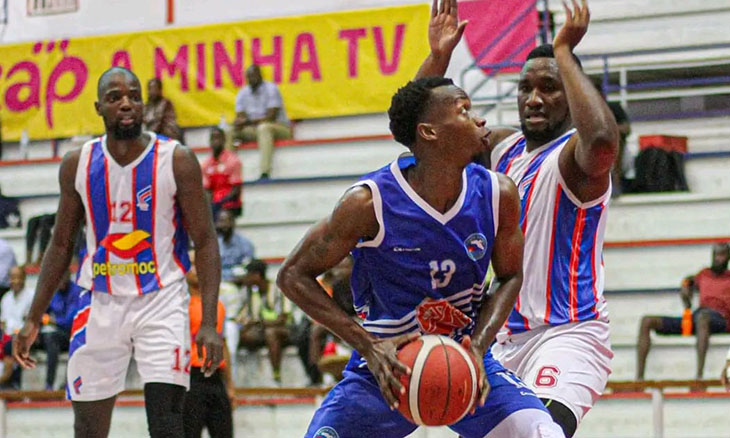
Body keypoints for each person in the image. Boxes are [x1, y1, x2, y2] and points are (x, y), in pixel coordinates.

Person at [277, 72, 566, 436]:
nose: (480, 119)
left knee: (543, 432)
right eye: (463, 111)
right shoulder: (369, 202)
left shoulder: (498, 193)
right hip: (384, 371)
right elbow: (292, 275)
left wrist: (477, 347)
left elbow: (510, 276)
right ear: (429, 132)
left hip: (465, 360)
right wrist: (367, 344)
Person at [416, 1, 618, 436]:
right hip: (498, 337)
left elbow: (601, 139)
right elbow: (424, 133)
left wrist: (564, 51)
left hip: (566, 333)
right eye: (525, 87)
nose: (534, 98)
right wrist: (439, 57)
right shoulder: (503, 148)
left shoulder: (574, 159)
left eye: (551, 86)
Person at [12, 66, 223, 438]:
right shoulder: (78, 164)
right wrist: (33, 317)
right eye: (115, 97)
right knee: (88, 429)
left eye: (134, 96)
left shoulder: (177, 160)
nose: (126, 103)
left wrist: (208, 321)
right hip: (100, 301)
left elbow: (205, 241)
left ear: (143, 104)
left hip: (162, 301)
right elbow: (60, 245)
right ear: (98, 107)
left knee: (168, 425)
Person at [637, 242, 730, 381]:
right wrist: (685, 286)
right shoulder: (704, 274)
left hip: (720, 320)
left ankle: (699, 377)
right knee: (647, 321)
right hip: (698, 317)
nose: (717, 258)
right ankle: (639, 379)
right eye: (715, 254)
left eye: (722, 255)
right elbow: (689, 280)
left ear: (728, 258)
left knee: (703, 318)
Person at [184, 252, 234, 438]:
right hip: (191, 379)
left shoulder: (217, 305)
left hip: (216, 378)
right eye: (191, 264)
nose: (197, 269)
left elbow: (223, 344)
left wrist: (230, 385)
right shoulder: (180, 305)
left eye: (199, 263)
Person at [238, 259, 294, 385]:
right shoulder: (251, 292)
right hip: (262, 329)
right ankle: (245, 380)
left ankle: (276, 375)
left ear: (257, 275)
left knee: (271, 333)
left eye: (248, 274)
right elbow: (248, 318)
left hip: (285, 330)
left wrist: (260, 323)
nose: (245, 278)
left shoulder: (279, 289)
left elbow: (283, 318)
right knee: (242, 335)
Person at [231, 65, 292, 179]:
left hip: (279, 128)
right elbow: (241, 117)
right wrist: (239, 122)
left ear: (260, 75)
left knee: (264, 128)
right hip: (255, 130)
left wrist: (246, 121)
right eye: (249, 77)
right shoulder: (242, 93)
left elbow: (271, 116)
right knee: (229, 131)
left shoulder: (271, 89)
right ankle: (226, 171)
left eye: (254, 76)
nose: (251, 79)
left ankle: (265, 171)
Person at [41, 268, 83, 390]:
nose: (60, 281)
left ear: (69, 276)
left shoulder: (76, 292)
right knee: (47, 338)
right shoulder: (53, 291)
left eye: (63, 277)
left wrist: (51, 320)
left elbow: (69, 321)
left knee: (52, 338)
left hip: (74, 333)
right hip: (58, 334)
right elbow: (44, 310)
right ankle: (49, 385)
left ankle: (63, 384)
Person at [201, 127, 244, 218]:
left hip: (230, 203)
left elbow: (236, 190)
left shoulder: (233, 160)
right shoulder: (206, 164)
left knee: (221, 214)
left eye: (218, 138)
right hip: (214, 203)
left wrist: (219, 203)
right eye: (213, 138)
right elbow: (207, 189)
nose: (215, 141)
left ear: (224, 140)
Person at [1, 266, 34, 335]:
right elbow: (3, 322)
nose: (16, 281)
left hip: (23, 336)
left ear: (24, 278)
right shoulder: (6, 297)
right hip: (7, 336)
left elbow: (31, 323)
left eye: (19, 277)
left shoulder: (32, 296)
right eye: (13, 278)